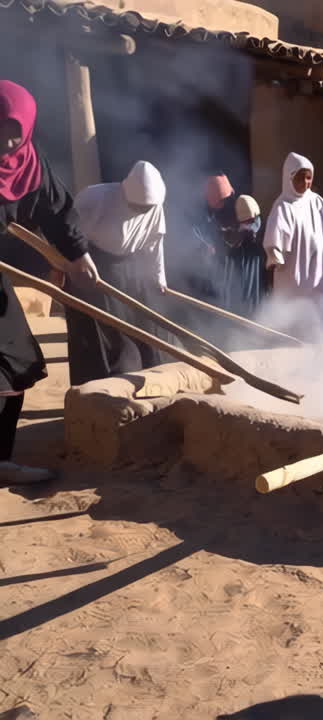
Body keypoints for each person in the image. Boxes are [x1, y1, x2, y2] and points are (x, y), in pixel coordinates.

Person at [0, 80, 99, 484]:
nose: (6, 145)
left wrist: (78, 255)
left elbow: (55, 209)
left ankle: (1, 459)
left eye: (14, 135)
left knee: (14, 358)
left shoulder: (29, 163)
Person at [66, 160, 177, 384]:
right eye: (138, 207)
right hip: (92, 266)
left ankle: (145, 380)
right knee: (101, 333)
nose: (142, 212)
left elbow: (155, 242)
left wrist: (158, 278)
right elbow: (69, 235)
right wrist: (65, 267)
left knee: (144, 326)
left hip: (130, 269)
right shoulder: (93, 198)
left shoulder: (154, 206)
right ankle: (101, 387)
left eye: (146, 208)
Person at [263, 153, 323, 336]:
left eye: (309, 178)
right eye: (301, 177)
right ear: (290, 177)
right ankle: (293, 337)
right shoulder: (283, 205)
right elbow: (276, 231)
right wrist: (275, 253)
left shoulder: (317, 201)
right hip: (294, 268)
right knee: (295, 304)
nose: (306, 182)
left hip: (320, 266)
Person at [219, 193, 265, 318]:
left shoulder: (259, 231)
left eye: (251, 221)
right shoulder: (235, 238)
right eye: (246, 222)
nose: (250, 224)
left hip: (256, 284)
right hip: (240, 291)